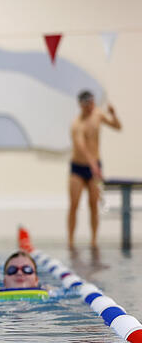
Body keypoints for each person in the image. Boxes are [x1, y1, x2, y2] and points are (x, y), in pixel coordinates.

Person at [68, 90, 121, 249]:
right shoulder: (76, 124)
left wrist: (114, 114)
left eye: (91, 104)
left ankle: (93, 241)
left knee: (93, 205)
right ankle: (70, 241)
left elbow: (117, 127)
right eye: (87, 105)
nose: (90, 108)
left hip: (95, 165)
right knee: (74, 204)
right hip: (78, 168)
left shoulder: (98, 115)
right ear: (80, 106)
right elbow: (82, 147)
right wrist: (94, 166)